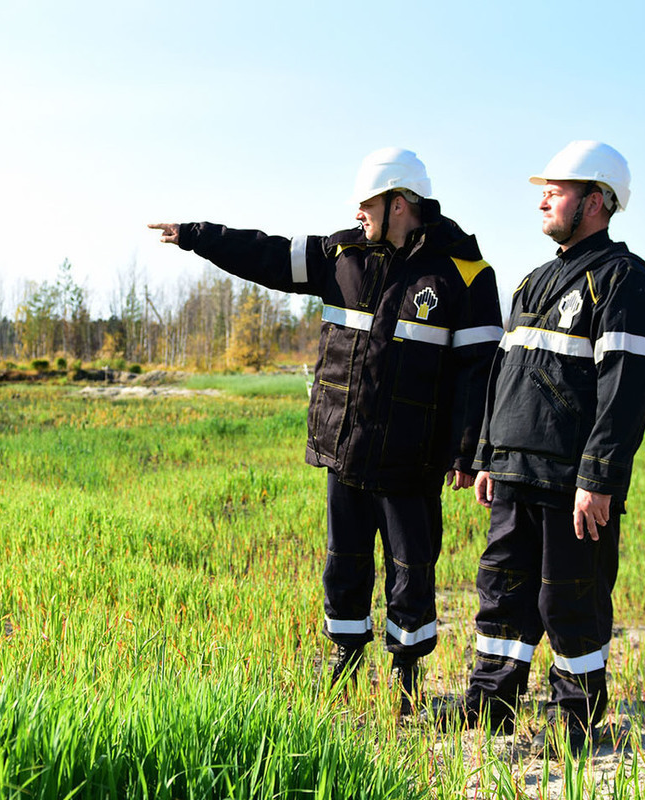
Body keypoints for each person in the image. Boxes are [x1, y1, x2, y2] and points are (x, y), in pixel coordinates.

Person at [149, 147, 503, 720]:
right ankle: (343, 660)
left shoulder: (464, 274)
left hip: (412, 461)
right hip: (345, 449)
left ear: (400, 203)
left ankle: (407, 676)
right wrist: (196, 235)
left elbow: (480, 372)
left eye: (368, 202)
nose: (359, 212)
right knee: (344, 563)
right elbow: (264, 254)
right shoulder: (342, 256)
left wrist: (469, 450)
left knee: (412, 570)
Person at [448, 141, 645, 755]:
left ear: (595, 202)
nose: (544, 197)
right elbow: (504, 375)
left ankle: (577, 721)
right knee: (503, 593)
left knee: (569, 599)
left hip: (573, 484)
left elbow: (625, 390)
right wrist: (490, 454)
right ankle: (491, 707)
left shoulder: (625, 280)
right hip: (514, 471)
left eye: (558, 189)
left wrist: (598, 478)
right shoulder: (534, 280)